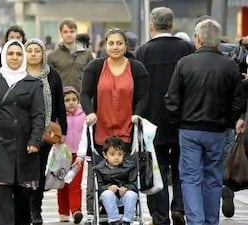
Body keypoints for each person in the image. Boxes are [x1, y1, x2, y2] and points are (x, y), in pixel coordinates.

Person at [165, 19, 242, 225]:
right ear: (218, 41)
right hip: (217, 130)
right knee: (213, 178)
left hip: (189, 129)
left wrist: (177, 121)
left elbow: (172, 99)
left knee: (190, 178)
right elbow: (238, 100)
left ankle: (196, 221)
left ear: (197, 39)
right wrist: (229, 121)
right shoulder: (230, 66)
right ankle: (210, 221)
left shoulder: (185, 63)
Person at [0, 39, 45, 225]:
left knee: (22, 205)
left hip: (25, 149)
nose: (15, 57)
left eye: (19, 54)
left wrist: (35, 140)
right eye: (10, 53)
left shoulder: (33, 83)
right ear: (4, 55)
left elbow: (39, 115)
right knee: (2, 202)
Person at [80, 28, 149, 224]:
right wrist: (89, 112)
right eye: (111, 43)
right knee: (97, 171)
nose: (115, 47)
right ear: (105, 45)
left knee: (126, 172)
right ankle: (93, 212)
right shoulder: (95, 67)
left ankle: (126, 212)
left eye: (119, 43)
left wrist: (138, 115)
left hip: (127, 131)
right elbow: (84, 94)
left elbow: (144, 97)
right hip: (101, 130)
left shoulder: (137, 68)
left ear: (126, 46)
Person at [135, 7, 196, 225]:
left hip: (152, 121)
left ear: (151, 26)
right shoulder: (188, 49)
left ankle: (160, 216)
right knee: (183, 167)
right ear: (172, 25)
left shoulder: (142, 52)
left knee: (156, 170)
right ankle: (179, 207)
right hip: (184, 119)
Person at [24, 38, 67, 225]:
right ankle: (23, 207)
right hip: (22, 130)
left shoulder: (52, 75)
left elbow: (59, 103)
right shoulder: (17, 73)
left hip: (45, 131)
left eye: (37, 50)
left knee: (39, 170)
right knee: (24, 170)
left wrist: (63, 129)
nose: (33, 53)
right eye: (30, 50)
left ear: (43, 54)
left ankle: (36, 209)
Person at [56, 86, 87, 224]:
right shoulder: (59, 117)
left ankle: (76, 211)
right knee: (62, 184)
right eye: (67, 100)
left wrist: (82, 154)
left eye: (74, 99)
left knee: (75, 184)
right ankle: (63, 212)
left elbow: (85, 136)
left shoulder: (84, 116)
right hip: (62, 156)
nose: (71, 103)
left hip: (78, 156)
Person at [93, 136, 138, 225]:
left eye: (120, 154)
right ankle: (114, 220)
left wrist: (126, 188)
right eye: (112, 154)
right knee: (107, 194)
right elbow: (98, 187)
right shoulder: (99, 169)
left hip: (124, 197)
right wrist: (108, 187)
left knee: (132, 195)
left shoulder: (130, 167)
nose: (116, 157)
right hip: (108, 199)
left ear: (123, 154)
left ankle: (127, 220)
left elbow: (135, 184)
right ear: (105, 155)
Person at [48, 18, 94, 92]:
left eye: (72, 31)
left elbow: (92, 78)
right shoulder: (52, 56)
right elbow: (50, 80)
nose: (69, 34)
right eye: (65, 32)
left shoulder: (87, 54)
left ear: (76, 32)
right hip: (61, 97)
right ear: (61, 33)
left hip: (82, 97)